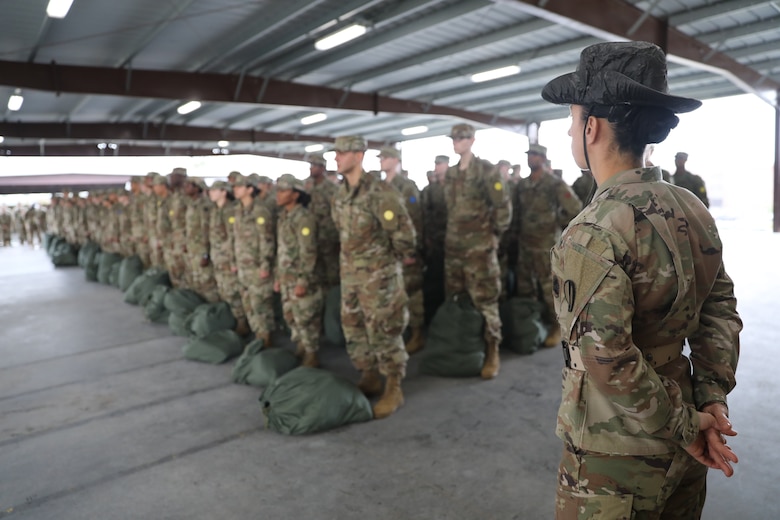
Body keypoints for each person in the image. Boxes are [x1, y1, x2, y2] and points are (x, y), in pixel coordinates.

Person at [541, 41, 741, 519]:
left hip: (615, 458)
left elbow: (607, 357)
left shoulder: (592, 232)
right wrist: (710, 400)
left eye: (572, 118)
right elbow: (720, 310)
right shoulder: (691, 208)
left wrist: (685, 426)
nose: (570, 129)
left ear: (591, 127)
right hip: (685, 439)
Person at [331, 135, 416, 419]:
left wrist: (385, 264)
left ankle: (393, 385)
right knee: (354, 328)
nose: (336, 157)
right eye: (336, 152)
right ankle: (369, 374)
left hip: (379, 278)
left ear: (358, 155)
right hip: (350, 277)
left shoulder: (381, 192)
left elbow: (405, 237)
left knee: (384, 329)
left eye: (341, 152)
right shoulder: (340, 195)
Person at [444, 123, 511, 379]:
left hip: (479, 248)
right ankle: (465, 347)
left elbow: (503, 206)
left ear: (472, 140)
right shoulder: (451, 173)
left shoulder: (486, 170)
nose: (456, 142)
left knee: (485, 298)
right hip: (454, 248)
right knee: (457, 298)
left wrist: (494, 236)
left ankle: (493, 349)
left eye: (461, 138)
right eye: (454, 138)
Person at [513, 143, 581, 347]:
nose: (531, 158)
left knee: (550, 287)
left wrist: (557, 225)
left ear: (542, 158)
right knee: (525, 287)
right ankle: (532, 324)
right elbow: (516, 212)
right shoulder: (522, 185)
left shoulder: (554, 183)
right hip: (525, 244)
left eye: (535, 155)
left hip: (546, 245)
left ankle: (556, 326)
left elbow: (574, 208)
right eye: (529, 155)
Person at [377, 147, 425, 354]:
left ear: (396, 160)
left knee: (411, 292)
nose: (381, 160)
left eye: (385, 157)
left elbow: (415, 220)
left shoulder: (407, 187)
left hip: (404, 248)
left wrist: (411, 252)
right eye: (381, 157)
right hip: (385, 250)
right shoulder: (378, 187)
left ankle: (417, 333)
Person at [274, 174, 323, 368]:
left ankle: (312, 353)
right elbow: (281, 250)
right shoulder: (283, 217)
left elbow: (308, 252)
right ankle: (301, 345)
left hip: (300, 277)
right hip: (286, 276)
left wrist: (303, 281)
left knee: (306, 317)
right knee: (290, 316)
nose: (278, 194)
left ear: (295, 195)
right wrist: (278, 276)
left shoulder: (304, 218)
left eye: (283, 191)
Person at [233, 174, 276, 345]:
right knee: (248, 302)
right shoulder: (238, 210)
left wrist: (265, 265)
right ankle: (257, 335)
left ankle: (265, 339)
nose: (235, 190)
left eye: (239, 187)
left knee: (260, 304)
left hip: (257, 266)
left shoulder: (260, 211)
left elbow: (267, 239)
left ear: (250, 189)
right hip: (243, 265)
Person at [208, 180, 249, 337]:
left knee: (233, 291)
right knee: (223, 290)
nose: (211, 193)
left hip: (228, 258)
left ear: (223, 192)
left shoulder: (230, 211)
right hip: (218, 257)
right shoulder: (215, 210)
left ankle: (241, 321)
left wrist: (232, 261)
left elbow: (233, 237)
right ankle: (231, 319)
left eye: (215, 190)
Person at [305, 153, 340, 289]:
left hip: (329, 238)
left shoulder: (331, 189)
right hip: (313, 238)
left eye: (314, 165)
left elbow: (337, 214)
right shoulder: (308, 188)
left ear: (322, 168)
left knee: (332, 274)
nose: (311, 168)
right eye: (310, 165)